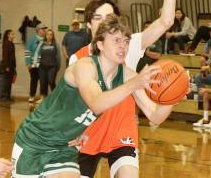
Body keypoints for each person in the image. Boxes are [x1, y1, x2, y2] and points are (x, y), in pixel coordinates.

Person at [11, 14, 175, 178]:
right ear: (100, 45)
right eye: (116, 40)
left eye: (126, 41)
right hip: (35, 140)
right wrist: (134, 84)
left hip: (64, 146)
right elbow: (96, 103)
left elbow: (155, 115)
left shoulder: (127, 75)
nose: (123, 46)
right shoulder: (85, 66)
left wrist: (173, 95)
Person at [68, 0, 176, 177]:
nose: (102, 23)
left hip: (121, 131)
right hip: (87, 133)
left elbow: (166, 21)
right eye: (97, 18)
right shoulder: (78, 59)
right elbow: (75, 103)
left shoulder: (127, 44)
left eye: (108, 17)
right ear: (89, 24)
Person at [25, 23, 47, 103]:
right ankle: (32, 96)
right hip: (33, 64)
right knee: (34, 80)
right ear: (38, 30)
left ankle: (42, 97)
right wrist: (28, 63)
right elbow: (27, 52)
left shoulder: (46, 40)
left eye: (44, 29)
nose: (44, 30)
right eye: (42, 29)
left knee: (43, 81)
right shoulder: (32, 39)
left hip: (43, 64)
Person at [37, 29, 61, 103]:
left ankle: (55, 97)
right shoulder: (42, 44)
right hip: (42, 66)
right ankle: (43, 97)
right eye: (48, 34)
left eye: (51, 34)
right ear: (45, 35)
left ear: (53, 36)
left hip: (52, 66)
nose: (49, 36)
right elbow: (38, 54)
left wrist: (57, 67)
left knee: (51, 81)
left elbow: (58, 57)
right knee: (43, 82)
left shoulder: (56, 44)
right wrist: (36, 63)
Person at [0, 29, 17, 100]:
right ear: (8, 35)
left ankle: (8, 96)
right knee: (6, 82)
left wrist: (14, 66)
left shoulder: (11, 43)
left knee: (9, 82)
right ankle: (4, 96)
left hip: (11, 65)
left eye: (13, 34)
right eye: (12, 34)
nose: (13, 36)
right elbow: (5, 56)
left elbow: (12, 56)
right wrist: (6, 66)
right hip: (8, 66)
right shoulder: (7, 43)